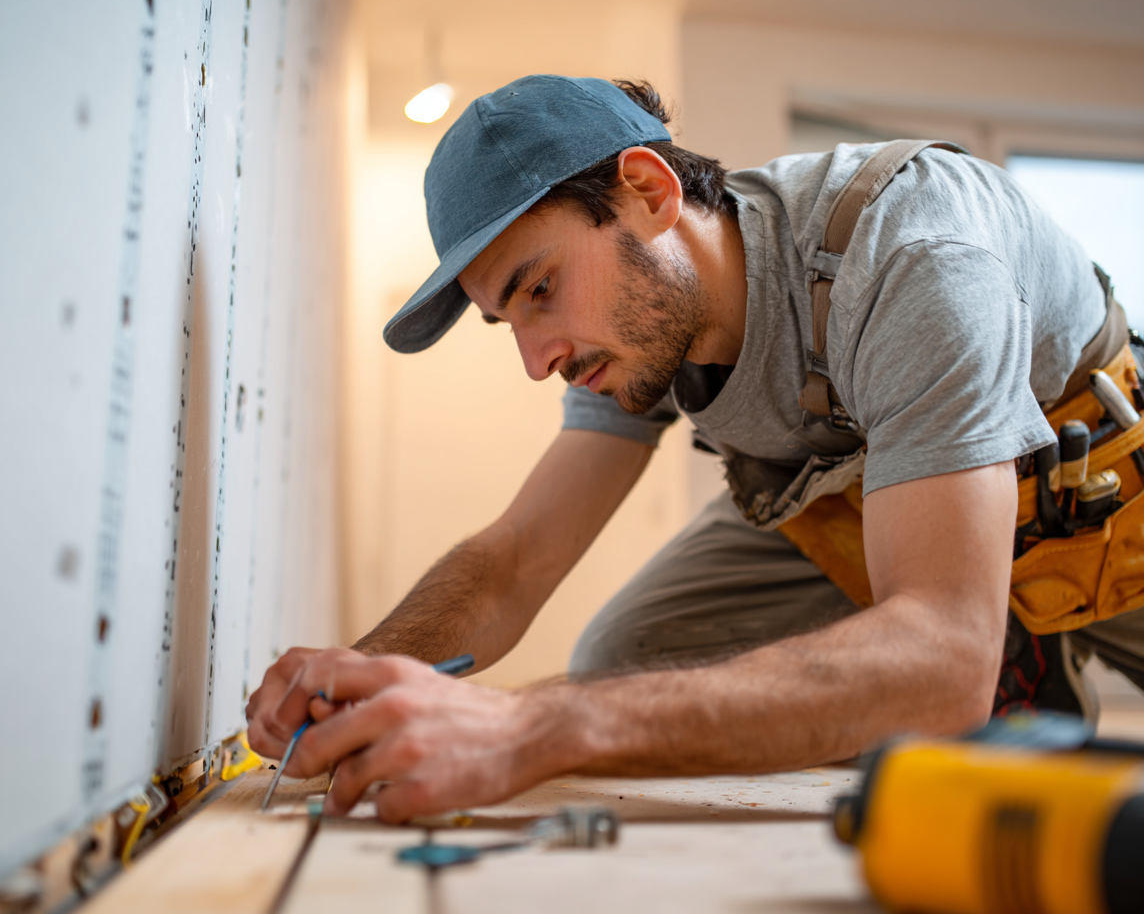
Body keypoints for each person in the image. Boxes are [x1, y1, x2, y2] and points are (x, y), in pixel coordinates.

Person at [246, 75, 1144, 822]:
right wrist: (366, 673)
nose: (537, 360)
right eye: (506, 321)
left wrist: (531, 726)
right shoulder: (650, 328)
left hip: (1098, 497)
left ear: (650, 191)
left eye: (541, 289)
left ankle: (1007, 652)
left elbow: (945, 659)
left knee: (931, 662)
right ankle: (1015, 667)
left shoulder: (908, 250)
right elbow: (515, 562)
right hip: (877, 499)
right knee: (627, 663)